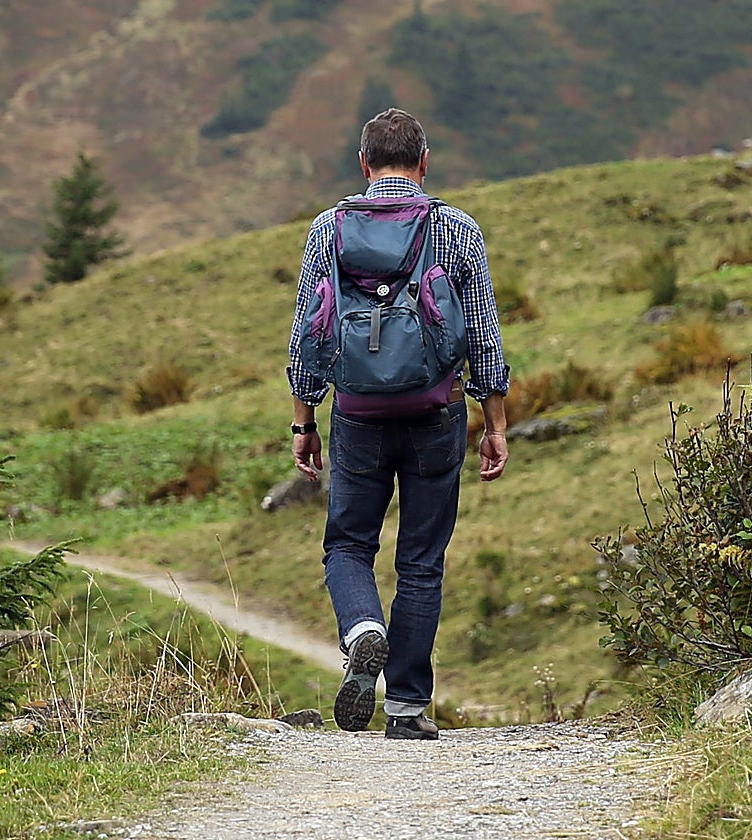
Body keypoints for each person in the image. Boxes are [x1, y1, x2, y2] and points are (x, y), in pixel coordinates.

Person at [286, 108, 510, 740]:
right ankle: (407, 707)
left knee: (348, 545)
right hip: (437, 412)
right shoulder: (456, 229)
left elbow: (308, 333)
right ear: (424, 162)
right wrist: (495, 423)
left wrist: (304, 421)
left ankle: (362, 629)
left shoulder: (328, 230)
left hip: (357, 415)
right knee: (421, 560)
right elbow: (484, 338)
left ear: (363, 164)